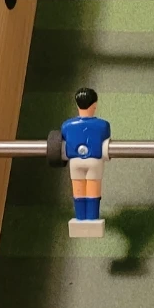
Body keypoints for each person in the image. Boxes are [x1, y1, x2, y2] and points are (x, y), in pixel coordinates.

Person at [61, 87, 111, 237]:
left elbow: (63, 139)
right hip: (94, 162)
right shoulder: (103, 125)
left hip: (75, 162)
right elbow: (106, 140)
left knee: (78, 191)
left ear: (77, 104)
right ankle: (92, 218)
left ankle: (80, 218)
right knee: (92, 191)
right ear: (94, 105)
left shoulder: (67, 126)